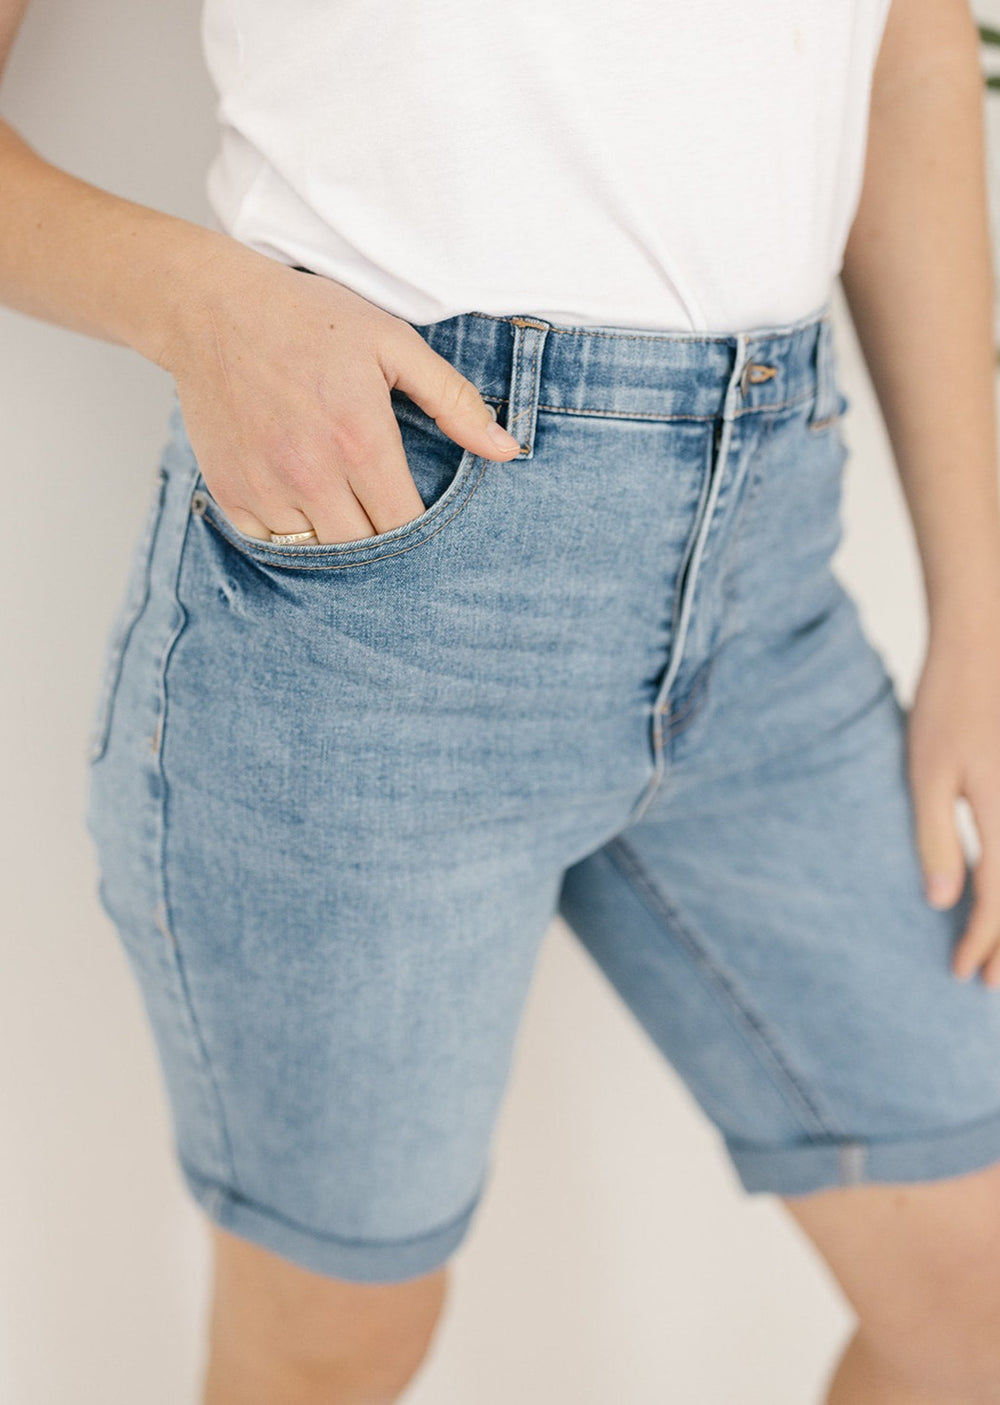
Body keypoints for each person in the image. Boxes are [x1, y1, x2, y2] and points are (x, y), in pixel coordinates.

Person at [4, 0, 1000, 1400]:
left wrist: (979, 610)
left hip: (771, 574)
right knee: (338, 1340)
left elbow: (911, 41)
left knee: (975, 1290)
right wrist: (201, 304)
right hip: (373, 599)